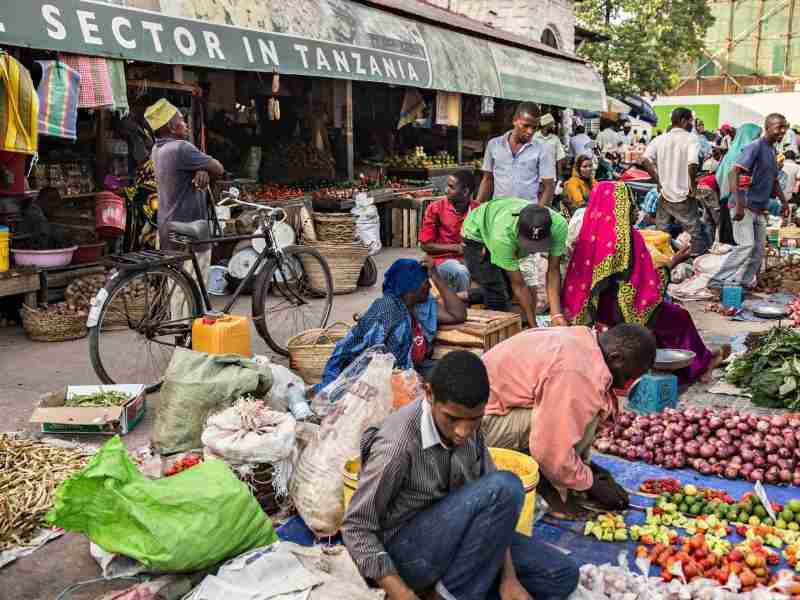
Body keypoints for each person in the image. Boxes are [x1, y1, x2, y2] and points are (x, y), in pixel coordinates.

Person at [342, 351, 580, 600]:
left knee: (561, 574)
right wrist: (403, 594)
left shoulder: (468, 428)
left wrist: (508, 579)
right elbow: (356, 527)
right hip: (408, 555)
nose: (463, 432)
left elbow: (498, 510)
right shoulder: (397, 445)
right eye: (452, 418)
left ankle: (448, 590)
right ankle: (449, 593)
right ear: (429, 394)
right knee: (506, 486)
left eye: (474, 420)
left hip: (459, 541)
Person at [481, 324, 655, 516]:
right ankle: (552, 491)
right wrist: (590, 484)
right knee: (585, 413)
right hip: (477, 429)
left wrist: (589, 468)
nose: (624, 384)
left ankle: (563, 475)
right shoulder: (577, 370)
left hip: (494, 410)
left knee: (575, 414)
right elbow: (549, 448)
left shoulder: (584, 340)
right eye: (628, 376)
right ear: (616, 358)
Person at [562, 181, 725, 385]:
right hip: (622, 312)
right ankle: (703, 363)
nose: (636, 211)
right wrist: (673, 263)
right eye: (632, 205)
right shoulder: (626, 238)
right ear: (621, 206)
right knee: (679, 317)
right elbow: (642, 289)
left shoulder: (589, 234)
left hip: (595, 314)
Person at [316, 258, 466, 388]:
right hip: (386, 376)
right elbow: (369, 358)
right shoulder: (387, 309)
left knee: (459, 372)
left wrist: (436, 276)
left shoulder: (422, 305)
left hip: (416, 367)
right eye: (426, 282)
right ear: (412, 289)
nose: (429, 286)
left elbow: (458, 314)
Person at [146, 99, 224, 317]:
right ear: (171, 126)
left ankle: (182, 332)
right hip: (190, 227)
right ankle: (189, 335)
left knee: (176, 288)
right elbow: (219, 167)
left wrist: (202, 171)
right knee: (193, 287)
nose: (186, 123)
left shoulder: (157, 149)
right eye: (181, 119)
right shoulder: (182, 148)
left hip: (167, 227)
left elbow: (197, 171)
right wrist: (205, 169)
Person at [710, 114, 789, 292]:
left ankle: (744, 283)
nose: (782, 131)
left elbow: (774, 180)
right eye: (778, 127)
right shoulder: (755, 147)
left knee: (758, 250)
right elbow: (733, 173)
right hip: (743, 205)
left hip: (758, 208)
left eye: (785, 127)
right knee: (746, 245)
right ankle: (716, 281)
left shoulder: (772, 151)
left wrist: (783, 203)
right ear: (767, 127)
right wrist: (739, 204)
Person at [462, 198, 569, 328]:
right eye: (529, 245)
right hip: (476, 234)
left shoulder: (559, 226)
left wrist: (556, 315)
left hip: (498, 222)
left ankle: (463, 296)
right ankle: (500, 337)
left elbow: (553, 271)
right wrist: (533, 325)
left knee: (509, 290)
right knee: (496, 294)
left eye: (538, 245)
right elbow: (519, 285)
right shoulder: (503, 239)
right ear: (517, 232)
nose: (533, 250)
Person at [640, 107, 705, 256]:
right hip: (684, 196)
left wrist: (658, 180)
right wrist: (692, 186)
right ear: (683, 121)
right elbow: (693, 163)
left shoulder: (660, 139)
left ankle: (661, 261)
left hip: (665, 194)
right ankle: (692, 264)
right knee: (694, 234)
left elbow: (644, 159)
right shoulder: (691, 139)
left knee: (661, 233)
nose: (692, 124)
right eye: (690, 121)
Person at [476, 102, 556, 206]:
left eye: (534, 127)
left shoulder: (542, 149)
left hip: (526, 214)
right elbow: (487, 180)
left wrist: (538, 214)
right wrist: (476, 208)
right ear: (514, 121)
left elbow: (549, 187)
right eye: (526, 126)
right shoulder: (494, 145)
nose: (530, 131)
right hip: (499, 211)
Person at [418, 171, 478, 293]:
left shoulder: (477, 209)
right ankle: (462, 309)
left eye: (451, 187)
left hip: (470, 259)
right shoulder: (435, 208)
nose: (446, 190)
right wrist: (456, 248)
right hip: (441, 260)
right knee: (461, 272)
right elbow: (425, 245)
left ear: (465, 192)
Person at [715, 123, 763, 246]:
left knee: (730, 238)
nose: (758, 139)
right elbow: (735, 177)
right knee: (739, 242)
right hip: (736, 200)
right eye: (756, 136)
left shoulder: (732, 151)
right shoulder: (743, 153)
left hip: (727, 198)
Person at [533, 113, 567, 178]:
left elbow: (559, 158)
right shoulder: (534, 138)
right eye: (552, 124)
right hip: (536, 177)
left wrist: (559, 177)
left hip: (551, 177)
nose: (554, 126)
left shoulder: (555, 139)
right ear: (546, 125)